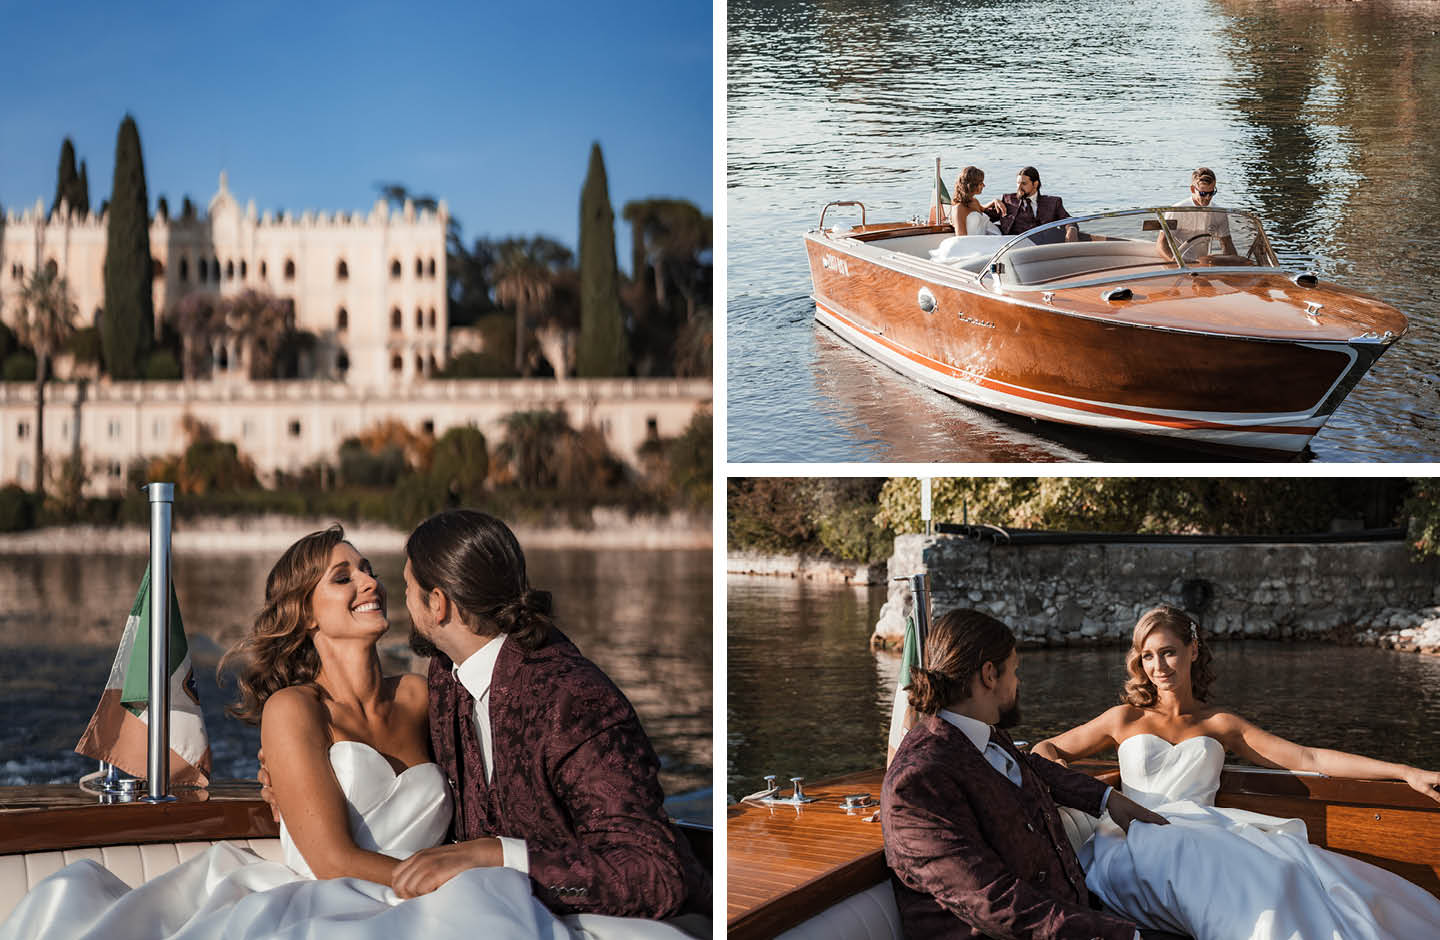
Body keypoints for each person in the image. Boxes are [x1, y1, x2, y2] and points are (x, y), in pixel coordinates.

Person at [0, 525, 692, 940]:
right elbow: (331, 859)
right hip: (345, 897)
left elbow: (505, 677)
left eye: (366, 567)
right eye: (344, 576)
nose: (369, 581)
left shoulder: (431, 690)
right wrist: (439, 879)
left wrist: (465, 865)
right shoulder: (294, 712)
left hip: (447, 888)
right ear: (306, 614)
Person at [1031, 604, 1440, 940]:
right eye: (1148, 656)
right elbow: (1043, 748)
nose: (1158, 666)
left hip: (1207, 828)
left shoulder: (1221, 724)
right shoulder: (1123, 718)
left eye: (1169, 652)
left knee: (1286, 868)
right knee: (1222, 864)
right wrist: (1074, 778)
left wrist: (1403, 772)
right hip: (1133, 836)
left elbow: (1307, 759)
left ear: (1193, 650)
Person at [882, 608, 1181, 940]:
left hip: (1073, 918)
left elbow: (1032, 767)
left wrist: (1108, 798)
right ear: (989, 675)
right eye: (1015, 670)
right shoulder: (917, 782)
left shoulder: (983, 735)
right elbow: (991, 903)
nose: (1018, 682)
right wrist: (1125, 937)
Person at [1157, 167, 1235, 261]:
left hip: (1203, 263)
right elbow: (1161, 244)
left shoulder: (1219, 213)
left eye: (1211, 193)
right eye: (1203, 193)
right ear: (1193, 189)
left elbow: (1227, 243)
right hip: (1180, 262)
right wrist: (1175, 262)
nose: (1207, 197)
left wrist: (1235, 265)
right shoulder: (1176, 210)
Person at [983, 165, 1073, 244]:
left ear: (1035, 184)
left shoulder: (1053, 202)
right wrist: (992, 202)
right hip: (1016, 248)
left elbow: (1068, 221)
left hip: (1044, 249)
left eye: (1024, 184)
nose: (1019, 187)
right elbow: (983, 215)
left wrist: (1071, 229)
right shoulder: (1008, 200)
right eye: (1018, 183)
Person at [951, 165, 1001, 237]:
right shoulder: (958, 208)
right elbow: (961, 237)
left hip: (989, 239)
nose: (984, 185)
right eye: (981, 183)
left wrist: (995, 201)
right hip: (974, 244)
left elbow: (983, 209)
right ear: (972, 185)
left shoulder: (974, 201)